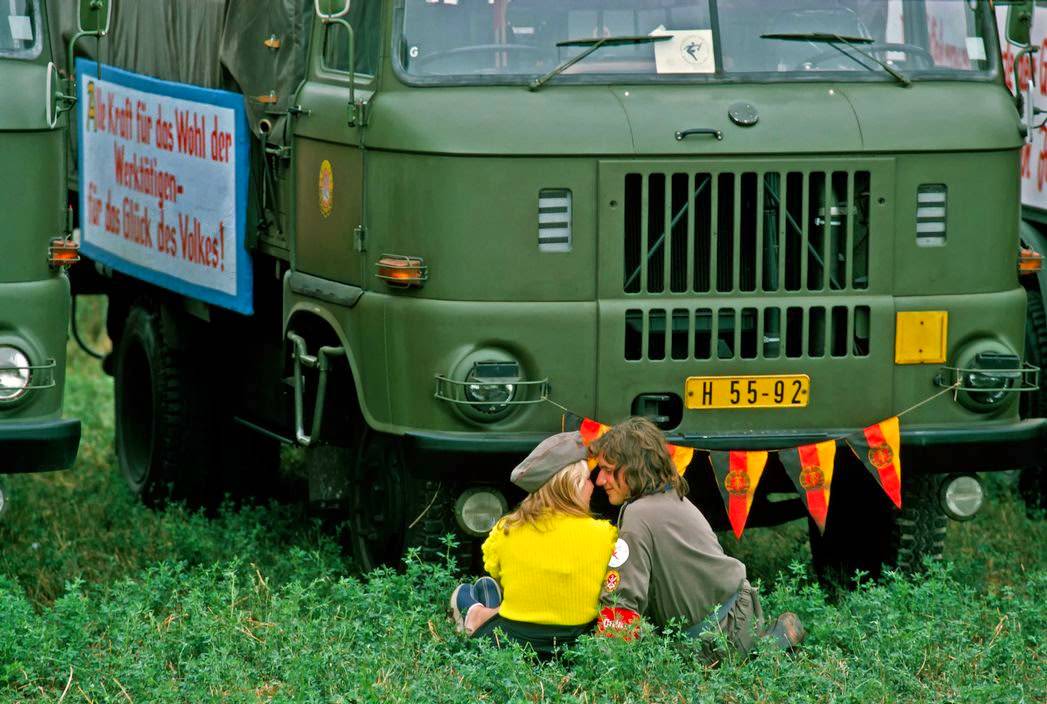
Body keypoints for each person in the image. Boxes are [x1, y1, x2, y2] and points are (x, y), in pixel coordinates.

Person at [589, 417, 805, 656]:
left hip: (719, 636)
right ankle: (767, 641)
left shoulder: (637, 514)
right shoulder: (670, 495)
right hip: (737, 614)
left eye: (608, 471)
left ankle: (765, 646)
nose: (600, 480)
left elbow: (622, 600)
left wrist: (607, 667)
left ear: (632, 469)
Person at [448, 431, 617, 656]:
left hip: (512, 643)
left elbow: (496, 573)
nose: (593, 485)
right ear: (572, 484)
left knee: (468, 593)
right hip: (576, 646)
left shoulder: (506, 529)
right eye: (587, 479)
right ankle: (484, 611)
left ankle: (474, 614)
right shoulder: (605, 534)